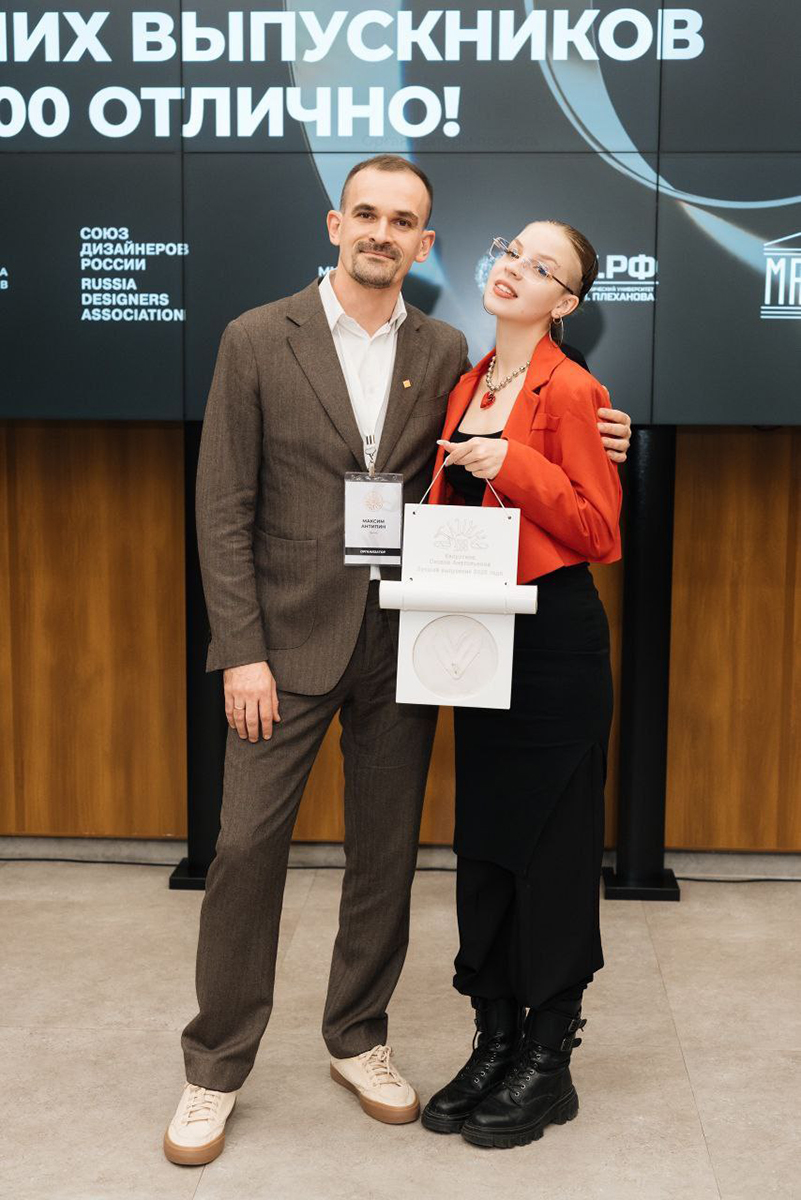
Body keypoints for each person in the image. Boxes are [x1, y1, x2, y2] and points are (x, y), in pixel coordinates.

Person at [163, 157, 632, 1166]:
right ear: (336, 224)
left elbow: (533, 451)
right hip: (284, 647)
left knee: (385, 857)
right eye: (366, 214)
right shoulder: (257, 338)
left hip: (409, 642)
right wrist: (240, 651)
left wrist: (603, 431)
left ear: (425, 244)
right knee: (245, 851)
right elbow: (221, 506)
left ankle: (357, 1038)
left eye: (403, 220)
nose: (382, 232)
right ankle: (214, 1067)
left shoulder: (446, 349)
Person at [421, 223, 621, 1150]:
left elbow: (598, 530)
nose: (515, 269)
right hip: (479, 637)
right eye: (512, 252)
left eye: (542, 268)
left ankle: (548, 1057)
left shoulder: (573, 389)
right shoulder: (467, 383)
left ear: (564, 303)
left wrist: (515, 462)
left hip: (553, 645)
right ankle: (494, 1040)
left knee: (554, 852)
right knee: (489, 847)